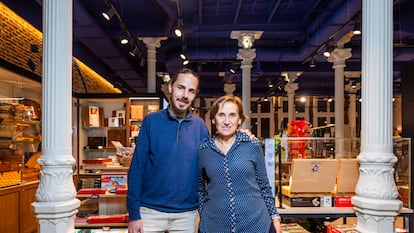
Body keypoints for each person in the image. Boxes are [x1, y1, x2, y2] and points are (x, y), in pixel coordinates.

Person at [127, 68, 210, 233]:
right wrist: (134, 214)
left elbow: (210, 169)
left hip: (186, 215)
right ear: (170, 87)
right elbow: (137, 169)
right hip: (149, 213)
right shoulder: (151, 121)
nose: (185, 95)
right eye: (181, 88)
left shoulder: (200, 127)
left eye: (191, 91)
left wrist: (240, 139)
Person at [197, 95, 282, 233]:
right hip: (215, 226)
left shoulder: (252, 145)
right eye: (221, 115)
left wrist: (275, 218)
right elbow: (199, 189)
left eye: (232, 115)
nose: (226, 121)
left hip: (255, 224)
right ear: (213, 119)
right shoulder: (203, 150)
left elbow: (264, 185)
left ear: (240, 120)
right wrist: (204, 215)